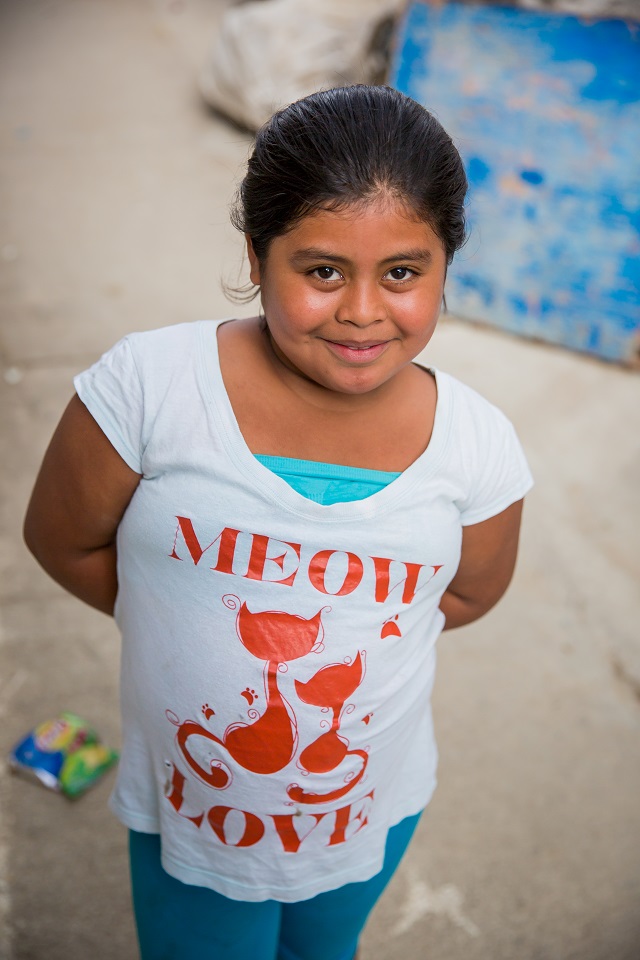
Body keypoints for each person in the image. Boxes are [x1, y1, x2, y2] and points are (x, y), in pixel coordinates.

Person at [23, 85, 533, 960]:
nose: (364, 311)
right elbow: (61, 539)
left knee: (321, 950)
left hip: (369, 803)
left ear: (448, 264)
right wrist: (175, 620)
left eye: (403, 272)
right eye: (323, 270)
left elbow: (472, 592)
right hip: (197, 800)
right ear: (258, 257)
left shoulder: (477, 447)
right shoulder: (149, 390)